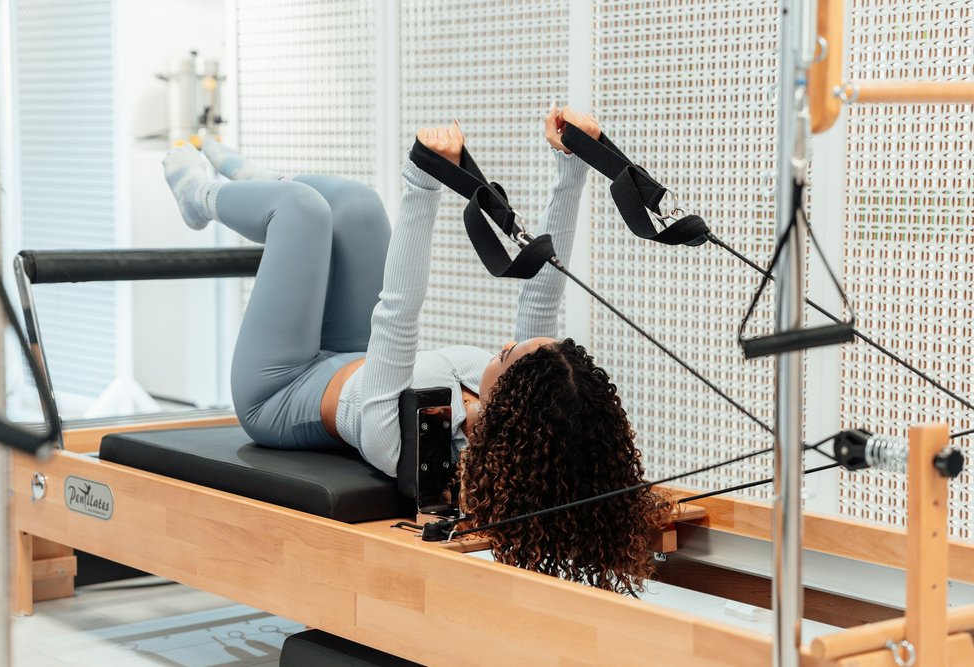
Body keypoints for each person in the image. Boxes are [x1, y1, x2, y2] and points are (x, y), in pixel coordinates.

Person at [163, 107, 669, 593]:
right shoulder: (511, 390)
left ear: (507, 405)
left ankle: (200, 194)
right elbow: (543, 287)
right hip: (351, 353)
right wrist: (571, 164)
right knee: (357, 204)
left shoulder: (408, 441)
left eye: (508, 353)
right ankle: (255, 179)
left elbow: (397, 310)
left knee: (300, 211)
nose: (507, 341)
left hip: (279, 388)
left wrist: (423, 183)